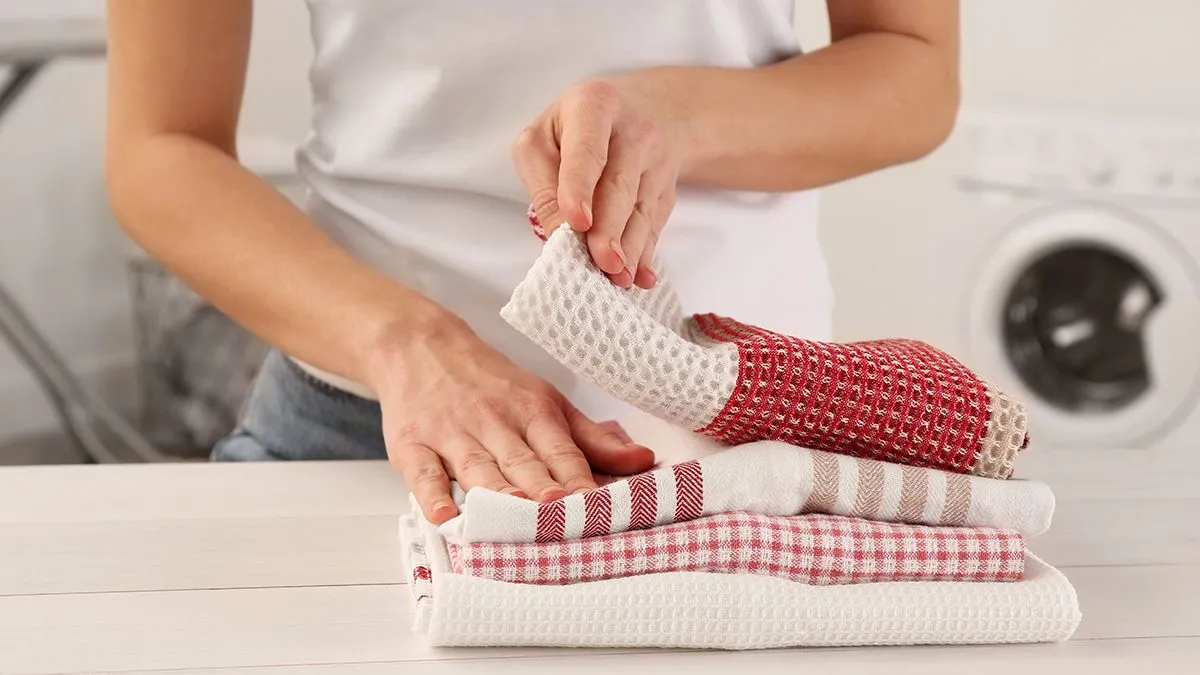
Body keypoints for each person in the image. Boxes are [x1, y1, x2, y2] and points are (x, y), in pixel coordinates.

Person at [103, 1, 960, 524]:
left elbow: (913, 66)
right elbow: (159, 147)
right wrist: (406, 342)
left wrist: (680, 119)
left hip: (740, 442)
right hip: (364, 433)